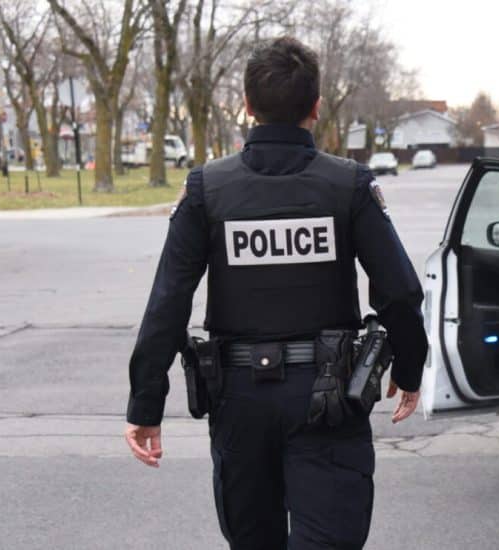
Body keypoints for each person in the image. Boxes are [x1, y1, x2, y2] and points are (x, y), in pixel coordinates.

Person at [124, 36, 428, 550]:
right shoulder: (347, 185)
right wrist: (409, 367)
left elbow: (169, 301)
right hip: (329, 399)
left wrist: (145, 403)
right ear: (316, 106)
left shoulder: (207, 189)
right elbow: (398, 292)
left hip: (238, 401)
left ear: (246, 106)